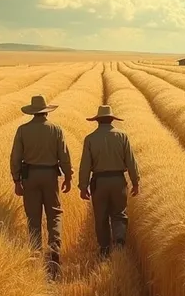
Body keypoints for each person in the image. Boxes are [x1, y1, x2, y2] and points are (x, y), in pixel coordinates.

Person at [10, 94, 72, 279]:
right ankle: (54, 251)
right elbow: (64, 156)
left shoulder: (22, 130)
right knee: (54, 214)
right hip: (51, 175)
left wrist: (17, 181)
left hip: (30, 177)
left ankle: (36, 253)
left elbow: (15, 158)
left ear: (32, 112)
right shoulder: (56, 130)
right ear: (46, 112)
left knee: (33, 217)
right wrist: (68, 176)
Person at [78, 105, 139, 258]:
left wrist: (83, 186)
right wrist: (135, 182)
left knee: (101, 216)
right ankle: (119, 243)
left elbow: (85, 165)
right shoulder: (122, 136)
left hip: (99, 183)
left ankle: (104, 249)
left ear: (97, 121)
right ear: (112, 120)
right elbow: (131, 161)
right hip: (118, 181)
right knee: (119, 214)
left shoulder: (90, 139)